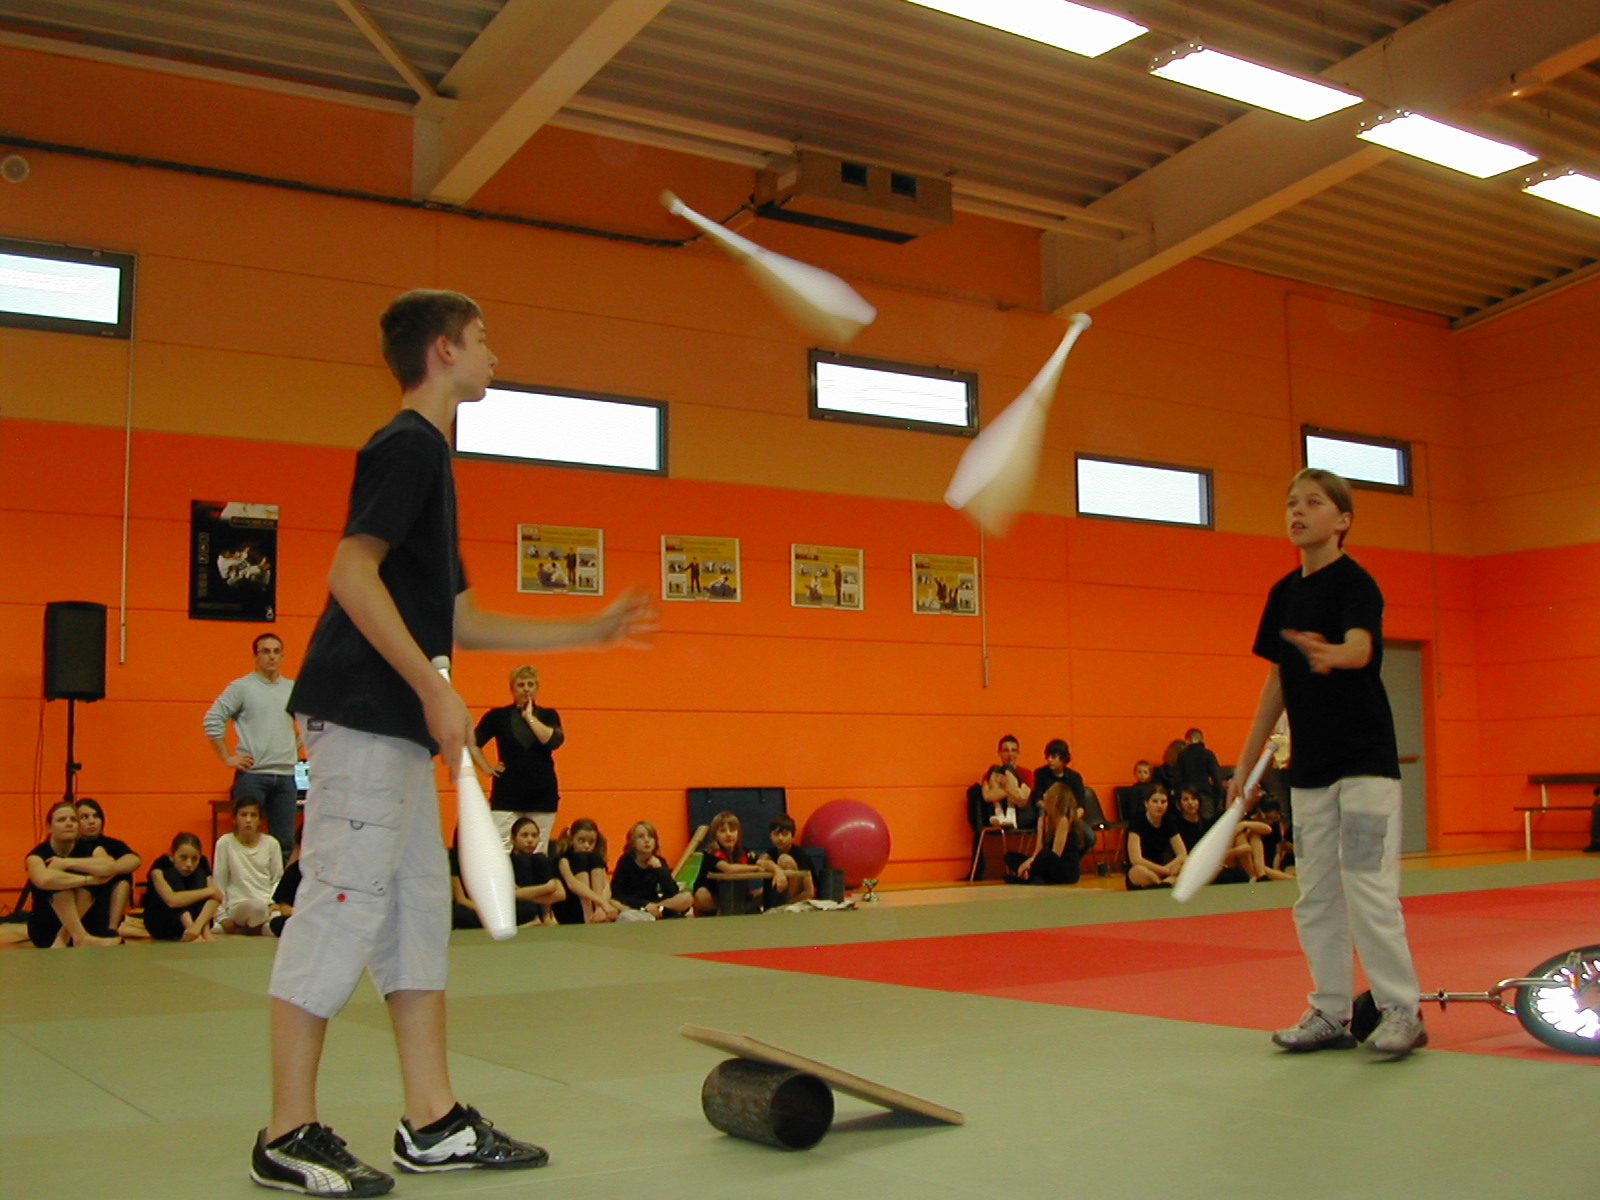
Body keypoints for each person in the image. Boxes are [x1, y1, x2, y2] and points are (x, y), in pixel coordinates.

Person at [254, 289, 653, 1197]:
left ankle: (431, 1122)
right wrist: (434, 687)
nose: (493, 355)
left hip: (396, 726)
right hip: (362, 714)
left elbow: (459, 617)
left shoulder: (435, 457)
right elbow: (349, 573)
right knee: (340, 905)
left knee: (415, 915)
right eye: (481, 339)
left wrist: (588, 632)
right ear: (442, 349)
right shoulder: (407, 445)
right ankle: (285, 1132)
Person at [1228, 467, 1425, 1060]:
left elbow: (1363, 647)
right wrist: (1244, 765)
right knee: (1314, 895)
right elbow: (1275, 683)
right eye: (1292, 502)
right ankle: (1330, 1013)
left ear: (1342, 520)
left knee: (1367, 886)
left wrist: (1334, 653)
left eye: (1313, 502)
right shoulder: (1283, 594)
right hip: (1309, 774)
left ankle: (1400, 1010)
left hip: (1365, 767)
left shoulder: (1356, 583)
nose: (1298, 511)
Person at [206, 633, 303, 859]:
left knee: (284, 843)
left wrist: (295, 746)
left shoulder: (292, 689)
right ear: (255, 657)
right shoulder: (242, 687)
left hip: (286, 775)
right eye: (265, 651)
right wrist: (227, 757)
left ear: (283, 656)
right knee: (246, 839)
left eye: (276, 651)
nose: (271, 657)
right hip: (253, 775)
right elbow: (212, 719)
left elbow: (313, 722)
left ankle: (277, 883)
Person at [471, 666, 563, 854]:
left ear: (537, 688)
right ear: (512, 689)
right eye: (520, 685)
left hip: (542, 792)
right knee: (501, 847)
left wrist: (529, 717)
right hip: (507, 792)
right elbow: (472, 744)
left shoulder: (548, 715)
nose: (526, 689)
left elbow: (552, 741)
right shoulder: (497, 716)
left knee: (538, 850)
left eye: (530, 684)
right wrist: (486, 768)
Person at [23, 800, 121, 948]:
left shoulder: (93, 849)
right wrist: (88, 880)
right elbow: (43, 880)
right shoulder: (37, 855)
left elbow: (110, 867)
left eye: (73, 820)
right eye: (61, 820)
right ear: (49, 827)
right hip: (48, 930)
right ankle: (78, 936)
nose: (69, 824)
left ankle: (70, 936)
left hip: (90, 926)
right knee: (59, 884)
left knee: (94, 878)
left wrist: (67, 863)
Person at [70, 798, 142, 937]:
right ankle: (72, 931)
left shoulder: (111, 844)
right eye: (84, 817)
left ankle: (112, 929)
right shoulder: (71, 844)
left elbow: (134, 860)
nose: (92, 821)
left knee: (124, 875)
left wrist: (110, 870)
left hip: (104, 905)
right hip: (78, 903)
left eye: (96, 816)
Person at [214, 797, 285, 935]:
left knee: (280, 924)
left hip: (267, 905)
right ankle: (251, 927)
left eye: (253, 815)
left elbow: (277, 878)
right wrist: (221, 916)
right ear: (234, 819)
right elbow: (219, 881)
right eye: (243, 815)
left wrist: (273, 902)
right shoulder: (225, 843)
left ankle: (251, 929)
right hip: (238, 906)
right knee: (256, 908)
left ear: (260, 820)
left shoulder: (272, 844)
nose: (248, 820)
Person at [140, 832, 223, 942]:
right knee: (171, 874)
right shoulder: (160, 865)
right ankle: (191, 931)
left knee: (199, 874)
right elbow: (172, 900)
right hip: (163, 922)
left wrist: (198, 927)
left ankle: (203, 932)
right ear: (172, 854)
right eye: (183, 858)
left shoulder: (202, 863)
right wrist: (209, 891)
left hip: (196, 923)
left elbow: (216, 898)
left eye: (194, 859)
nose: (189, 864)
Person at [1005, 782, 1087, 885]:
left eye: (1048, 793)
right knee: (1010, 856)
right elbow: (1038, 849)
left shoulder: (1063, 820)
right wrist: (1029, 862)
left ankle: (1030, 876)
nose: (1044, 795)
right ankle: (1034, 876)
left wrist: (1031, 865)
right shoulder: (1042, 820)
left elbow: (1056, 854)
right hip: (1044, 862)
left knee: (1047, 857)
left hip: (1063, 868)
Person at [692, 812, 771, 915]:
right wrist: (755, 868)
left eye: (732, 830)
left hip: (739, 894)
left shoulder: (742, 850)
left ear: (738, 833)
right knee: (701, 894)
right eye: (723, 831)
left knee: (768, 890)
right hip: (715, 896)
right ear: (715, 835)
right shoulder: (711, 852)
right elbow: (728, 869)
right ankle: (722, 911)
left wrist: (778, 871)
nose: (728, 834)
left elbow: (763, 862)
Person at [611, 821, 693, 918]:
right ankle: (648, 911)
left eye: (650, 836)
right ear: (632, 842)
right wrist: (644, 904)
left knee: (687, 897)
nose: (647, 840)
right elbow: (617, 894)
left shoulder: (659, 861)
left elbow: (672, 892)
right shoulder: (626, 861)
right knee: (613, 903)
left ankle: (654, 910)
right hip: (633, 903)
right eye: (641, 837)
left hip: (655, 903)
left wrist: (660, 870)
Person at [549, 819, 620, 924]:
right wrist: (603, 903)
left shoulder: (596, 859)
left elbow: (606, 886)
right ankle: (588, 914)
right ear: (571, 839)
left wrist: (600, 908)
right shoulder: (563, 859)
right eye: (581, 841)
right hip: (571, 906)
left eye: (591, 842)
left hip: (597, 905)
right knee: (580, 858)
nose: (587, 846)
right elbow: (572, 884)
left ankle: (596, 912)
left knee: (595, 857)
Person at [1125, 787, 1185, 890]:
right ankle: (1162, 883)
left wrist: (1169, 867)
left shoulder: (1168, 821)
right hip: (1146, 869)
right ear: (1146, 803)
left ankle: (1160, 884)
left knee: (1185, 866)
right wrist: (1164, 870)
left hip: (1165, 868)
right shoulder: (1137, 822)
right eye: (1155, 801)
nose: (1159, 805)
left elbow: (1182, 854)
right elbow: (1136, 859)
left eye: (1163, 802)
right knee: (1138, 871)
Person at [509, 817, 564, 925]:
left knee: (539, 858)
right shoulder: (506, 862)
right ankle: (530, 918)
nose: (530, 840)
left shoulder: (540, 860)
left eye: (534, 836)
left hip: (538, 910)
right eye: (524, 835)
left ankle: (546, 915)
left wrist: (526, 894)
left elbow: (560, 894)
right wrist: (547, 888)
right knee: (522, 860)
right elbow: (511, 895)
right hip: (516, 911)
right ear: (513, 838)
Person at [761, 814, 815, 906]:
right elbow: (761, 862)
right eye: (776, 834)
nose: (780, 838)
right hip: (775, 902)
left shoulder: (801, 855)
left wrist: (787, 905)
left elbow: (809, 892)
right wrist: (777, 871)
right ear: (770, 836)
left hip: (796, 902)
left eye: (785, 834)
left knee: (784, 859)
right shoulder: (770, 853)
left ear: (792, 836)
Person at [1178, 728, 1225, 819]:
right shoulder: (1208, 754)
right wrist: (1218, 797)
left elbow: (1178, 779)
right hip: (1205, 795)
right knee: (1207, 823)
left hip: (1188, 795)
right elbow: (1217, 778)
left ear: (1188, 740)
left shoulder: (1183, 755)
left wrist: (1178, 797)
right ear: (1201, 739)